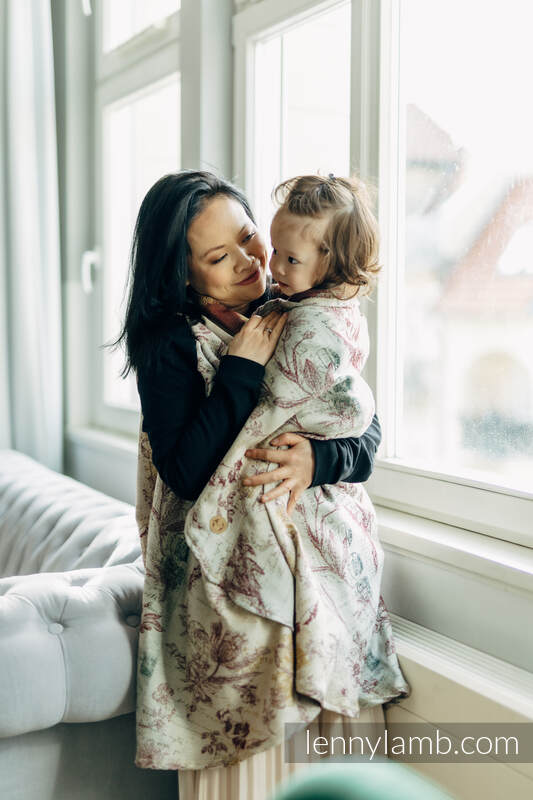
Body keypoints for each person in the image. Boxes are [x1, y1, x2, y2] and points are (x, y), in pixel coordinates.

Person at [107, 170, 409, 799]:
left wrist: (318, 463)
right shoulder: (173, 345)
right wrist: (242, 369)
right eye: (220, 257)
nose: (250, 262)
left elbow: (365, 430)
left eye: (250, 239)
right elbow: (186, 472)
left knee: (328, 767)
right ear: (182, 274)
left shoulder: (301, 307)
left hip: (317, 577)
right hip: (228, 595)